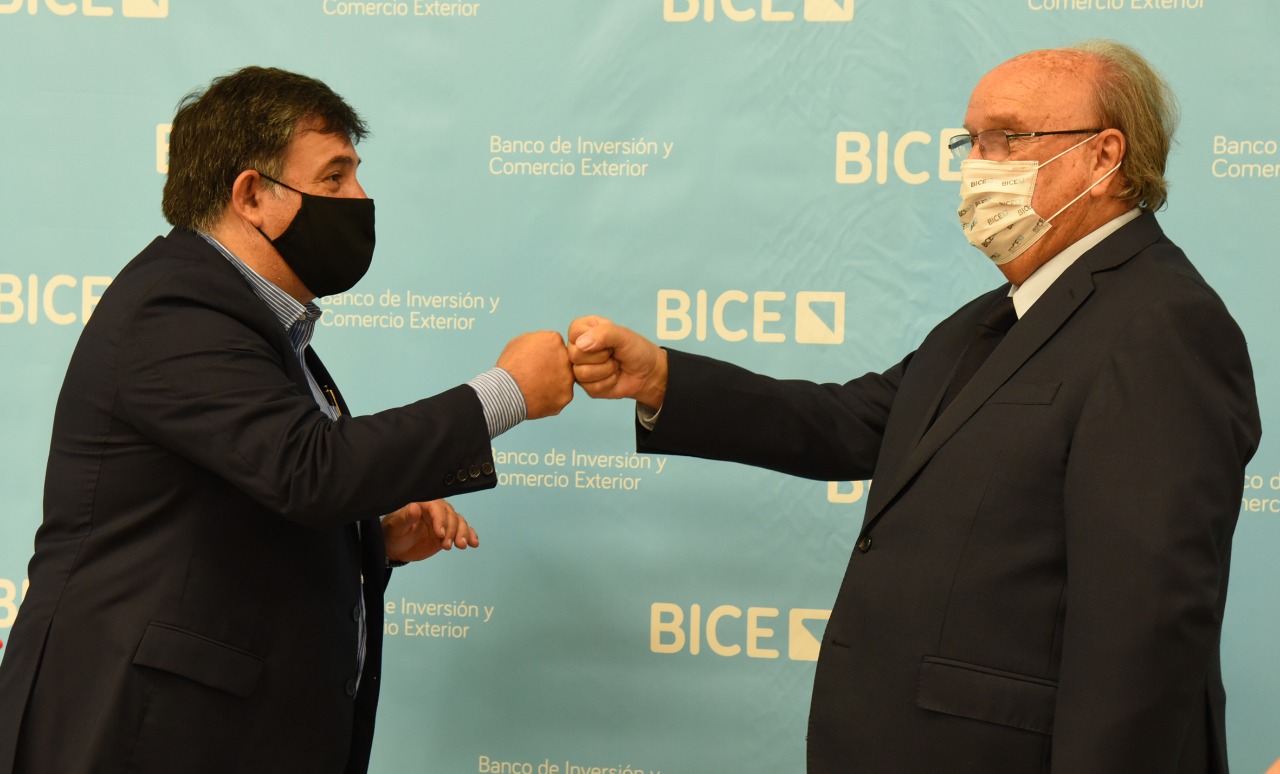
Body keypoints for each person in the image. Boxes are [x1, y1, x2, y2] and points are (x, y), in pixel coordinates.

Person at [569, 40, 1260, 774]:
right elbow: (852, 423)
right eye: (972, 140)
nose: (978, 163)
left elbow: (1145, 629)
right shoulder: (993, 317)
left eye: (1007, 138)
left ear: (1104, 156)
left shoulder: (1162, 323)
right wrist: (662, 380)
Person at [0, 66, 574, 774]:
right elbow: (312, 470)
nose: (360, 199)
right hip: (136, 735)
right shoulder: (175, 308)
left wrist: (371, 541)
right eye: (334, 177)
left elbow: (255, 492)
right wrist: (506, 392)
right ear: (251, 195)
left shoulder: (255, 323)